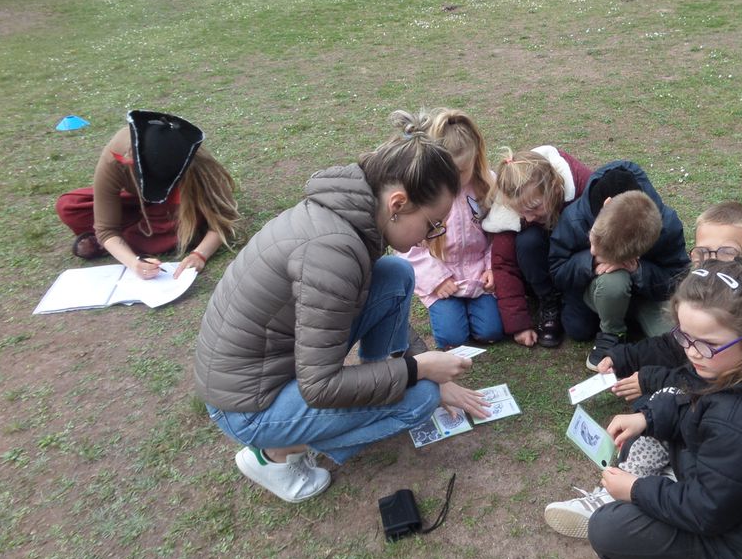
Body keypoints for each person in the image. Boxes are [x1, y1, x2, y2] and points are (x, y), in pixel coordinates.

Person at [195, 110, 490, 504]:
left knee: (396, 274)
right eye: (432, 224)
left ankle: (365, 394)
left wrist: (419, 369)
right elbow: (320, 386)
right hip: (248, 406)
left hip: (270, 366)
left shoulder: (347, 216)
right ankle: (274, 454)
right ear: (398, 203)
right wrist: (418, 372)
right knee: (421, 400)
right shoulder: (333, 251)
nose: (429, 238)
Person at [544, 257, 742, 559]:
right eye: (684, 337)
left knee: (608, 529)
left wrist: (636, 490)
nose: (692, 352)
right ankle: (659, 469)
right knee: (650, 409)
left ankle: (626, 492)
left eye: (707, 344)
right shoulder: (738, 363)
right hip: (730, 485)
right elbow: (694, 397)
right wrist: (648, 418)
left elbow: (706, 513)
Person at [600, 200, 742, 404]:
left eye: (728, 253)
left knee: (656, 405)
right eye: (702, 253)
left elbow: (724, 381)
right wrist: (625, 357)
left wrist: (653, 380)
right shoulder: (709, 293)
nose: (711, 262)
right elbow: (678, 342)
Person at [55, 110, 240, 280]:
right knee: (69, 206)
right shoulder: (114, 159)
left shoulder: (191, 159)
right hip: (137, 203)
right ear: (128, 161)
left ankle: (123, 241)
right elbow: (106, 229)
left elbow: (224, 218)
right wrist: (134, 263)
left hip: (174, 207)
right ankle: (136, 237)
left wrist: (199, 254)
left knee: (181, 223)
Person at [548, 160, 690, 370]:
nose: (593, 249)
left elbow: (679, 278)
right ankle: (613, 331)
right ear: (606, 205)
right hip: (603, 289)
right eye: (593, 240)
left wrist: (637, 270)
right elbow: (557, 269)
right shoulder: (575, 217)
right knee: (579, 326)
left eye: (598, 249)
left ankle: (631, 324)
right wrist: (591, 261)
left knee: (679, 345)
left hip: (647, 294)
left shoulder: (666, 225)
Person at [398, 109, 503, 349]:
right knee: (452, 339)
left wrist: (491, 267)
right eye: (447, 173)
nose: (454, 180)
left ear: (476, 157)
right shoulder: (419, 193)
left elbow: (498, 233)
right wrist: (436, 279)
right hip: (442, 274)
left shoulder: (487, 185)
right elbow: (406, 248)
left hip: (478, 273)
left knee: (492, 332)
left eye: (461, 171)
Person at [483, 146, 592, 347]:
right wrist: (518, 324)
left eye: (534, 208)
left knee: (581, 329)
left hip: (576, 266)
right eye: (522, 212)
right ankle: (549, 303)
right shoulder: (507, 207)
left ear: (553, 187)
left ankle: (575, 298)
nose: (530, 217)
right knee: (527, 240)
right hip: (539, 272)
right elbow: (503, 266)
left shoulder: (581, 186)